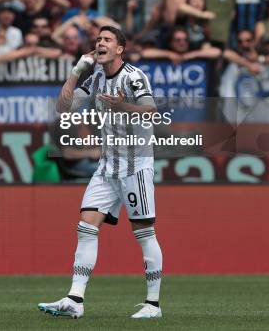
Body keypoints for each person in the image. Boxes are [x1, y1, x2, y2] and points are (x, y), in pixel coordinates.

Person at [38, 26, 163, 319]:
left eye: (107, 39)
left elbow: (152, 111)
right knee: (86, 227)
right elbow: (63, 108)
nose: (100, 43)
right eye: (98, 39)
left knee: (144, 233)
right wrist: (76, 70)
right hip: (107, 166)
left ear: (120, 48)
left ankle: (153, 305)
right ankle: (74, 300)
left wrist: (123, 106)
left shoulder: (134, 76)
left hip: (135, 165)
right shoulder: (94, 77)